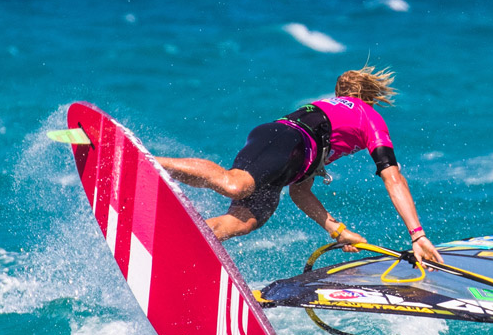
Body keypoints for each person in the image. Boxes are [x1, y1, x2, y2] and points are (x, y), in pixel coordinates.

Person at [156, 66, 445, 266]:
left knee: (246, 220)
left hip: (286, 155)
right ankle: (152, 162)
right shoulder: (368, 116)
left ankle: (177, 247)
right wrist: (417, 234)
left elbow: (300, 192)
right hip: (285, 139)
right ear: (367, 98)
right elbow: (393, 179)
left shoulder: (333, 119)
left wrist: (338, 231)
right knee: (236, 184)